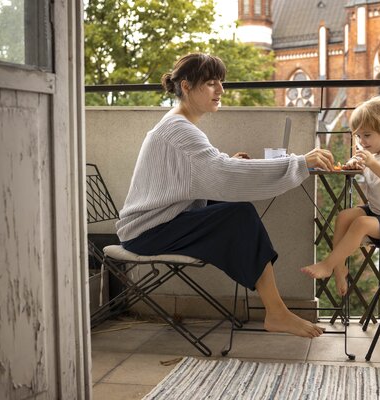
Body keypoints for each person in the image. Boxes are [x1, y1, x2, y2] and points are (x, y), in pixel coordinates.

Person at [116, 53, 335, 338]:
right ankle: (277, 312)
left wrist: (226, 164)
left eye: (221, 82)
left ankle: (276, 310)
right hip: (146, 231)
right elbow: (220, 173)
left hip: (157, 224)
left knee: (236, 209)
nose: (220, 90)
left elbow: (203, 171)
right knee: (239, 214)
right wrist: (300, 162)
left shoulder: (177, 125)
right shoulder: (178, 129)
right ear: (186, 86)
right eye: (210, 83)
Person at [301, 96, 380, 297]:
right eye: (358, 137)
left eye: (367, 135)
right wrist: (354, 165)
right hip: (379, 210)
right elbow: (362, 165)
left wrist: (372, 164)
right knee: (344, 216)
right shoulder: (370, 152)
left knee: (361, 224)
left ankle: (329, 264)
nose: (361, 142)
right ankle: (340, 268)